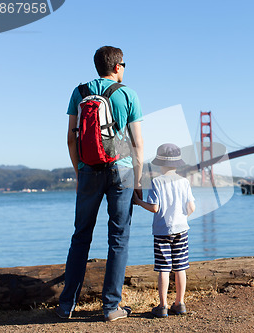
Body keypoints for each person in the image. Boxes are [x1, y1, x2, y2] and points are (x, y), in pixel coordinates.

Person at [56, 46, 144, 322]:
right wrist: (138, 182)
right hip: (122, 171)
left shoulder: (79, 92)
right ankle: (111, 307)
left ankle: (66, 305)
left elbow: (71, 139)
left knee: (80, 237)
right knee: (118, 239)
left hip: (88, 169)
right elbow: (138, 144)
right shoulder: (128, 93)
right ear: (118, 67)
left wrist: (80, 171)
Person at [133, 143, 196, 318]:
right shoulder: (184, 182)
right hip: (181, 230)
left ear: (160, 163)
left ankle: (163, 306)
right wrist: (181, 217)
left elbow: (154, 208)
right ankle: (180, 303)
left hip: (162, 232)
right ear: (178, 163)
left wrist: (138, 202)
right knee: (180, 267)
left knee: (163, 268)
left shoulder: (156, 182)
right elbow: (191, 207)